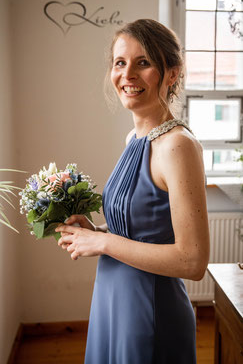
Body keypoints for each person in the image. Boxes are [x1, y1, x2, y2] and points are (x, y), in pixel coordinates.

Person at [56, 19, 210, 364]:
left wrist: (103, 243)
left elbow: (193, 260)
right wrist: (96, 232)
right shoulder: (135, 140)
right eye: (120, 63)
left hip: (149, 312)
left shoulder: (177, 147)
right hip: (113, 300)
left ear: (172, 73)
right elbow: (149, 230)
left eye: (144, 62)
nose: (128, 74)